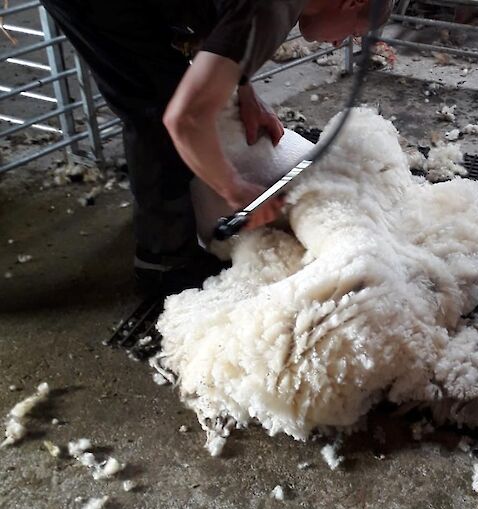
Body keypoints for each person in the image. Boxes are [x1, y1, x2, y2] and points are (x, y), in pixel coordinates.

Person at [39, 0, 392, 295]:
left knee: (168, 85)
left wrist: (243, 89)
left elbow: (221, 21)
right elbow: (184, 118)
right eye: (354, 32)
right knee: (157, 102)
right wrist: (235, 189)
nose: (339, 43)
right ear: (353, 1)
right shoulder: (274, 8)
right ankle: (163, 262)